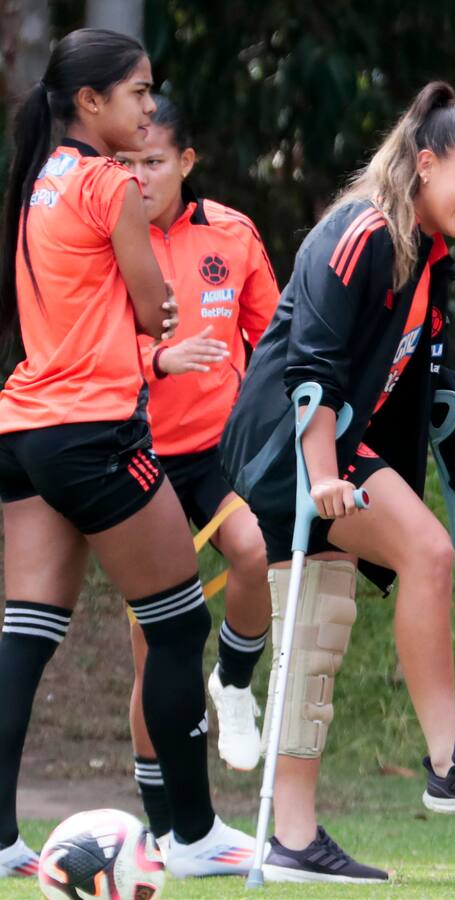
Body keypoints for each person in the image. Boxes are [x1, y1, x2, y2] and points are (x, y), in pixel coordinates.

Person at [219, 80, 455, 884]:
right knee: (425, 552)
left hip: (330, 447)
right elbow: (311, 368)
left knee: (316, 633)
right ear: (426, 164)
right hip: (289, 444)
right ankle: (449, 758)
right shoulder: (359, 234)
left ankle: (293, 841)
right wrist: (324, 475)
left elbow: (433, 382)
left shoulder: (427, 258)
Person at [0, 28, 253, 880]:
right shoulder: (110, 183)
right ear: (90, 101)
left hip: (22, 426)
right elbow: (156, 310)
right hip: (93, 430)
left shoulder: (40, 178)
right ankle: (194, 835)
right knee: (179, 622)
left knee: (27, 634)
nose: (149, 110)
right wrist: (155, 307)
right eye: (139, 92)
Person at [113, 95, 280, 840]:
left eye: (153, 162)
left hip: (216, 452)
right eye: (126, 163)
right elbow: (85, 346)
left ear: (186, 162)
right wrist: (158, 359)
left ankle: (235, 683)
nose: (139, 177)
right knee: (153, 653)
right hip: (136, 455)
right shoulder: (107, 240)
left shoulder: (233, 235)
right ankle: (162, 828)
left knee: (253, 551)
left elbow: (275, 338)